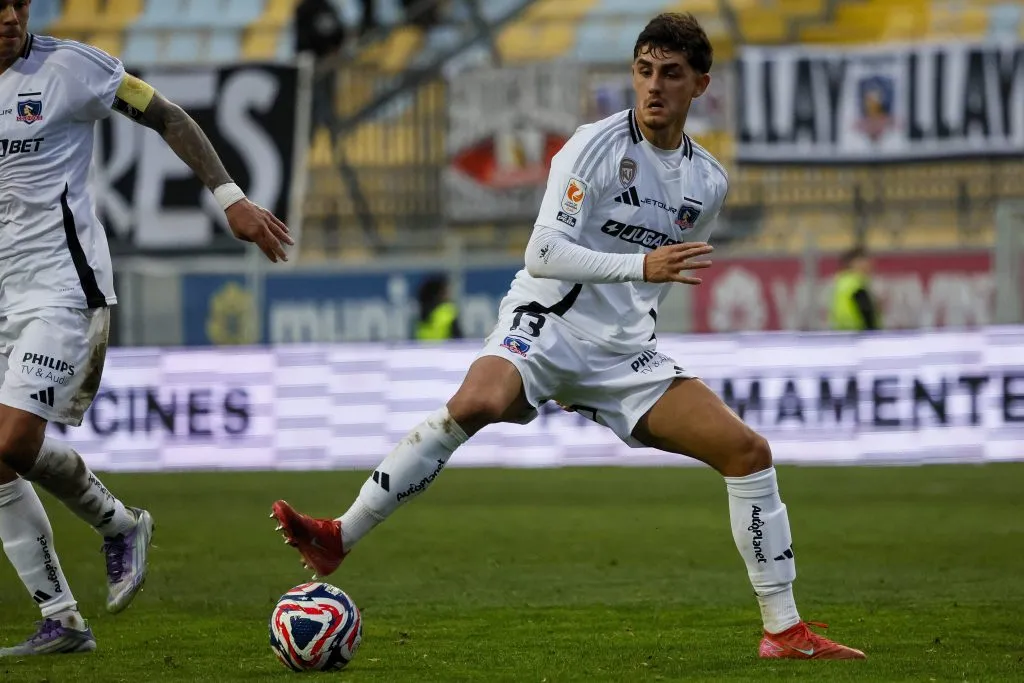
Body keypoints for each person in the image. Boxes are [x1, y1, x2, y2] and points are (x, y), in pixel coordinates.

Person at [272, 12, 865, 660]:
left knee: (748, 451)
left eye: (671, 74)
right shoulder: (595, 145)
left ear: (701, 84)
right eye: (644, 71)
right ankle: (340, 533)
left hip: (621, 353)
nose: (654, 86)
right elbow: (544, 250)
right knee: (474, 404)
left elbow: (654, 283)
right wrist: (639, 266)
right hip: (548, 320)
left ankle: (783, 630)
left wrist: (630, 321)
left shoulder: (707, 183)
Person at [0, 0, 292, 656]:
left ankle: (118, 527)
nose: (8, 16)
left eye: (16, 2)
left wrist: (231, 198)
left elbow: (167, 114)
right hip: (2, 293)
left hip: (63, 289)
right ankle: (65, 616)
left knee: (12, 443)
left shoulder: (73, 68)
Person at [294, 0, 346, 140]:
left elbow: (339, 33)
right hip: (314, 65)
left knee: (321, 105)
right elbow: (302, 39)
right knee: (314, 106)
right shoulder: (307, 9)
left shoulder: (326, 8)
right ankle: (315, 144)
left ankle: (331, 145)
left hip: (323, 64)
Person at [829, 247, 880, 332]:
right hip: (858, 335)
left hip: (842, 333)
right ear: (854, 263)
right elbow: (866, 311)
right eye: (866, 261)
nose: (870, 265)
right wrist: (874, 333)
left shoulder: (842, 281)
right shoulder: (855, 284)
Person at [415, 274, 462, 342]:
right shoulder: (448, 311)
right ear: (440, 293)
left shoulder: (419, 313)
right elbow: (459, 340)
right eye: (446, 290)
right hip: (445, 351)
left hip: (423, 351)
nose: (449, 293)